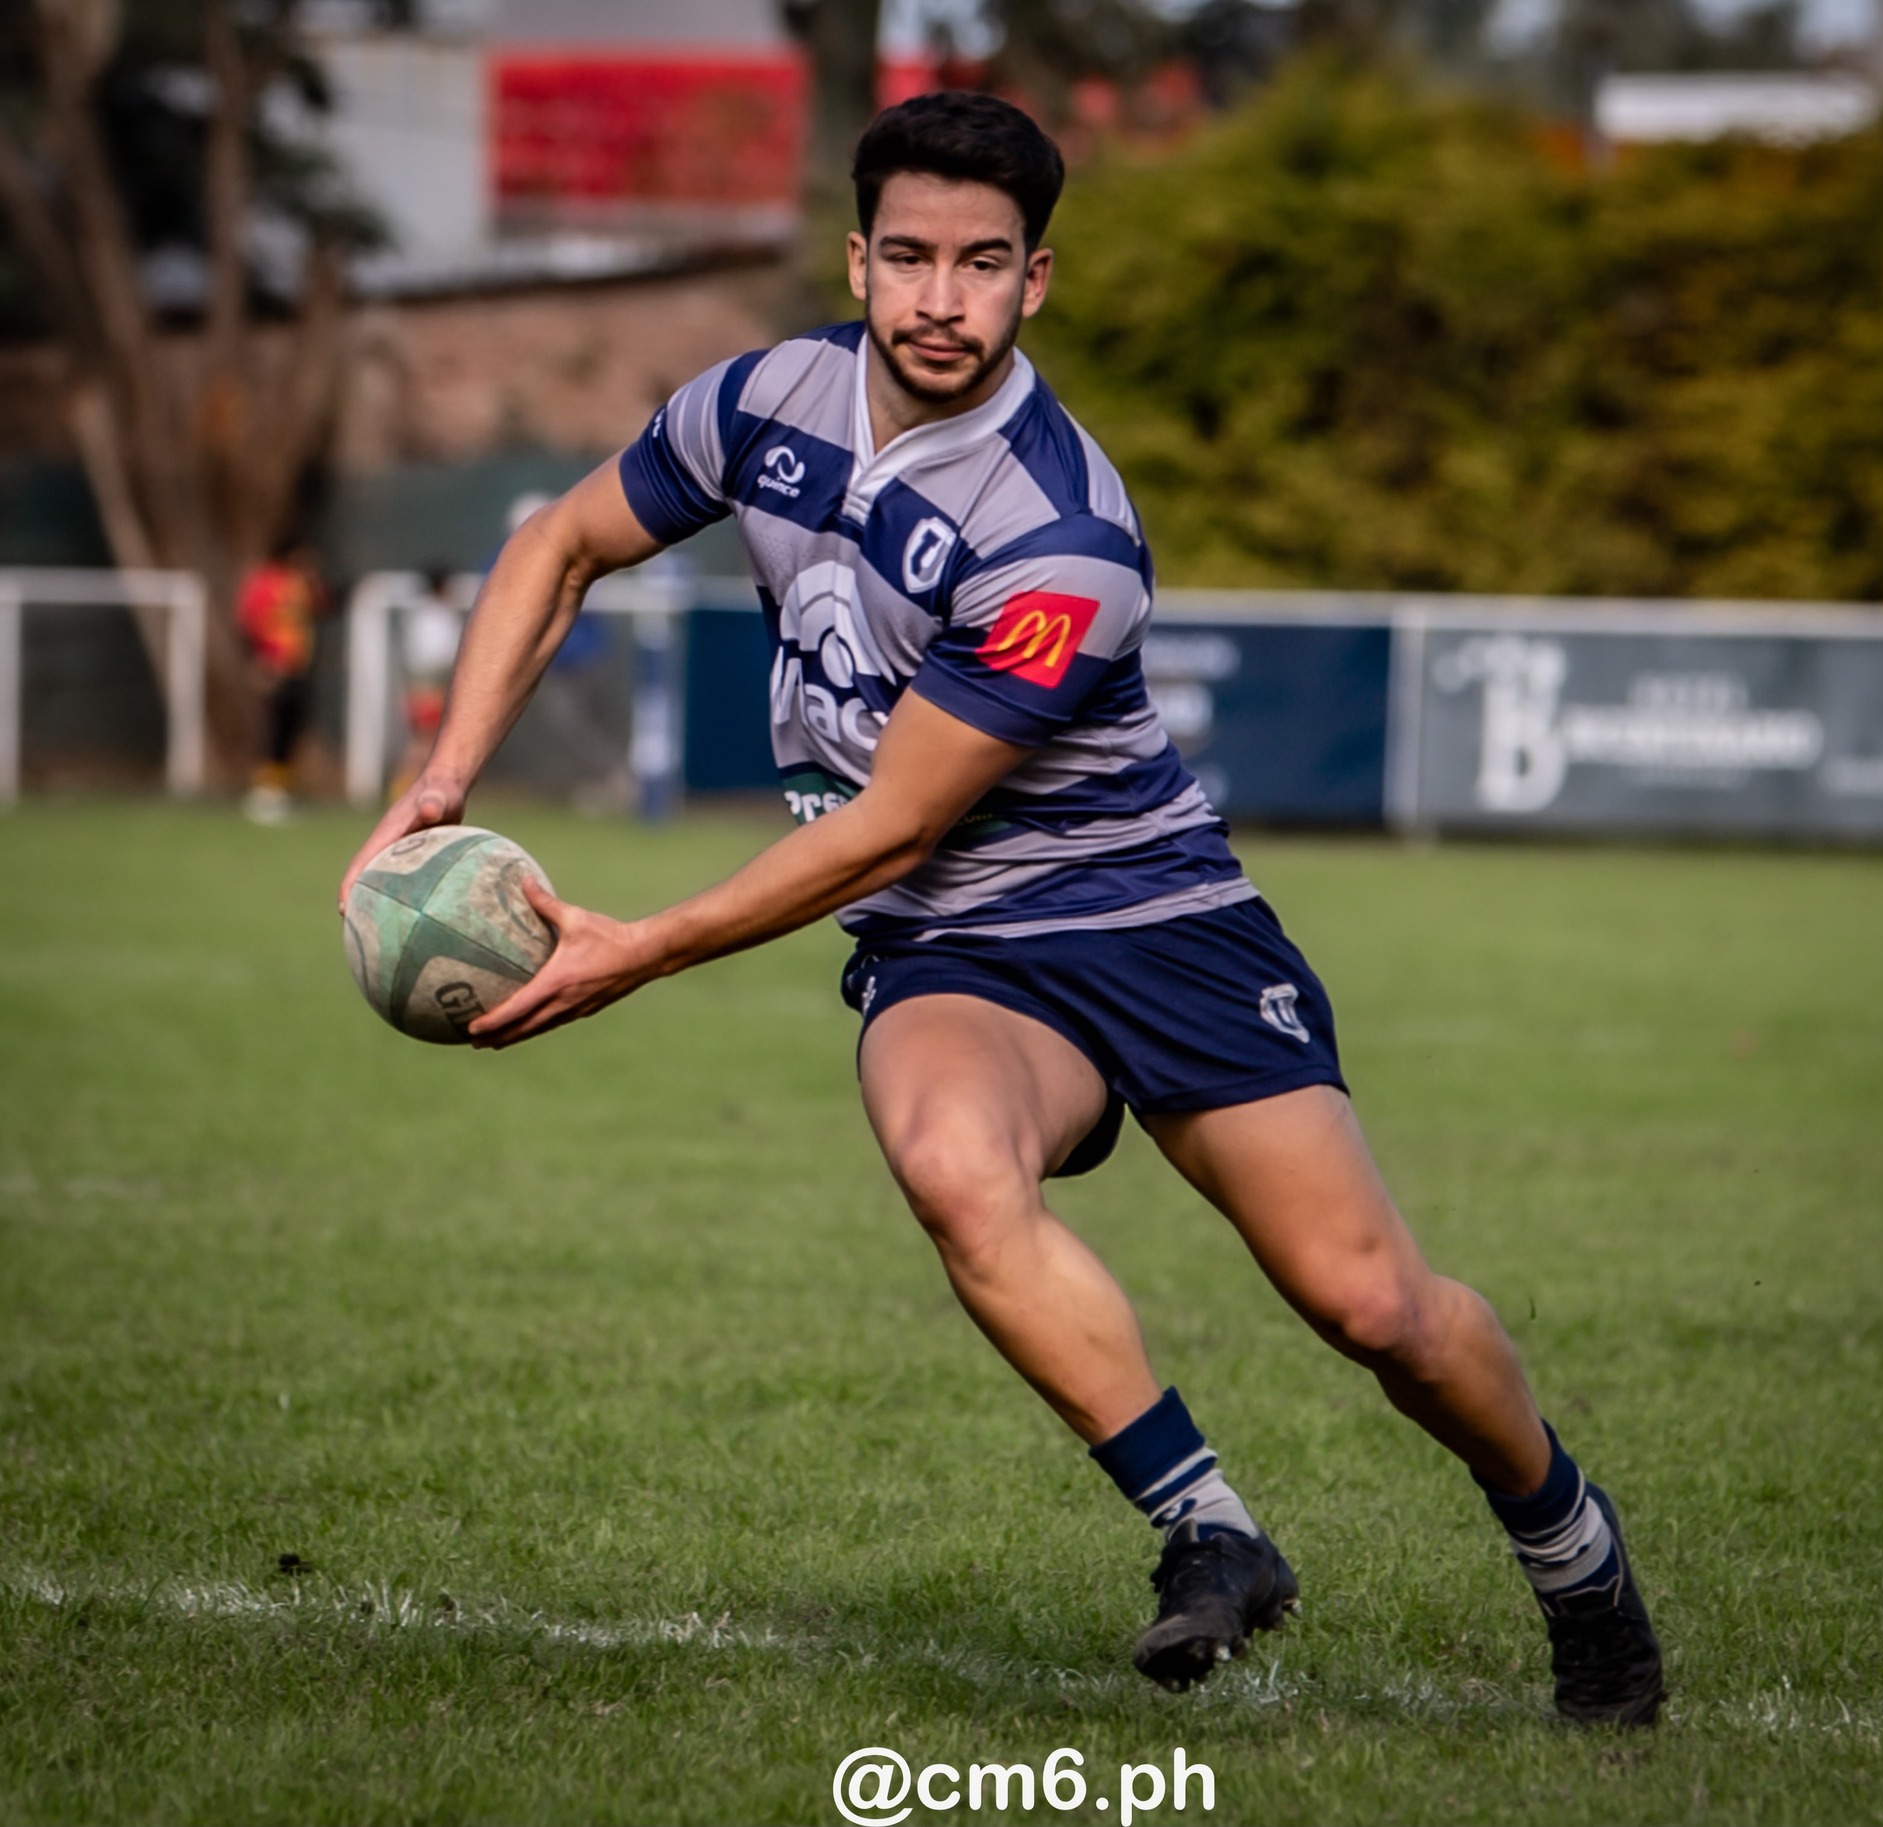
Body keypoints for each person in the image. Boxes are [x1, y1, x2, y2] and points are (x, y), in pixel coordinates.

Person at [339, 91, 1665, 1725]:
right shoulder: (763, 400)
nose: (939, 298)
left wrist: (642, 946)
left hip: (1152, 924)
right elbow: (557, 543)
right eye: (908, 257)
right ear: (858, 257)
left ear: (1034, 279)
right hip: (957, 951)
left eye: (981, 263)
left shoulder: (1057, 527)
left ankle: (1572, 1552)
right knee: (953, 1168)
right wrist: (440, 780)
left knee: (1369, 1306)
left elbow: (889, 823)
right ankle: (1213, 1535)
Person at [238, 539, 325, 824]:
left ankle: (280, 788)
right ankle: (264, 792)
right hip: (274, 666)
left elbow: (320, 608)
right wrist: (262, 660)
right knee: (274, 728)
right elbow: (250, 620)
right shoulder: (266, 581)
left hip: (298, 667)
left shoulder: (300, 583)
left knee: (290, 728)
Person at [391, 565, 467, 802]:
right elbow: (438, 655)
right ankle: (404, 792)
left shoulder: (422, 613)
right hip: (430, 684)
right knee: (424, 743)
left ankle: (408, 791)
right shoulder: (436, 616)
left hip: (423, 683)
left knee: (423, 742)